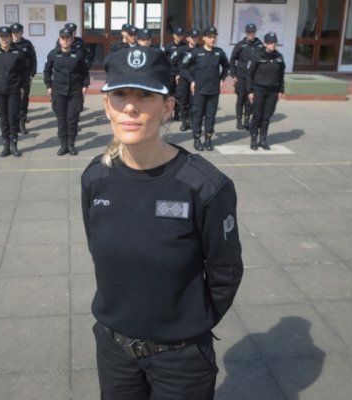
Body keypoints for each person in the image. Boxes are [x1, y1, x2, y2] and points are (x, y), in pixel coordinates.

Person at [81, 46, 243, 400]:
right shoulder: (96, 178)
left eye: (145, 96)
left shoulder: (205, 186)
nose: (130, 107)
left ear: (168, 107)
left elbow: (225, 272)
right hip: (114, 352)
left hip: (181, 359)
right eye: (120, 94)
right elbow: (99, 250)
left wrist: (189, 325)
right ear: (106, 104)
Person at [181, 26, 229, 151]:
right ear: (203, 38)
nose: (212, 39)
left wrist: (222, 79)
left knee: (210, 116)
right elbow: (183, 67)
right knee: (197, 115)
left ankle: (208, 139)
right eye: (209, 37)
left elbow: (226, 66)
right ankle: (197, 139)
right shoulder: (196, 53)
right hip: (199, 91)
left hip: (213, 91)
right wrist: (191, 81)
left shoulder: (219, 52)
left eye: (214, 37)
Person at [0, 26, 29, 157]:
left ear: (10, 37)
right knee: (3, 119)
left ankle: (14, 144)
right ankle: (6, 146)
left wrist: (21, 86)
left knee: (13, 118)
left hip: (14, 90)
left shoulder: (18, 53)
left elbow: (25, 71)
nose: (4, 39)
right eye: (2, 36)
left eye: (6, 36)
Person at [44, 28, 90, 156]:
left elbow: (85, 72)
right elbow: (47, 71)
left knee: (72, 119)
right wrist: (48, 85)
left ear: (72, 39)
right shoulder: (53, 54)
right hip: (58, 91)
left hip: (75, 91)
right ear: (59, 39)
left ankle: (71, 145)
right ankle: (63, 145)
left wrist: (85, 85)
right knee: (61, 120)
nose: (65, 41)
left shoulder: (79, 54)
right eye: (63, 38)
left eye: (68, 38)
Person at [247, 32, 285, 150]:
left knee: (267, 116)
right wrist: (250, 91)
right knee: (257, 116)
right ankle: (254, 139)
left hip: (273, 91)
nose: (273, 45)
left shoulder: (279, 57)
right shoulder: (258, 56)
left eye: (274, 43)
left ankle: (263, 139)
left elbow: (281, 74)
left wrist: (281, 90)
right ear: (265, 43)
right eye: (270, 43)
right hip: (259, 90)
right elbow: (250, 75)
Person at [229, 23, 264, 130]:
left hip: (254, 77)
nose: (251, 34)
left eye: (252, 32)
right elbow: (232, 60)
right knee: (241, 99)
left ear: (255, 32)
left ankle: (246, 120)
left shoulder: (260, 45)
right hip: (242, 76)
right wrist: (234, 74)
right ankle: (239, 121)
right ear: (246, 32)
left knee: (250, 100)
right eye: (249, 32)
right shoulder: (240, 45)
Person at [11, 23, 37, 135]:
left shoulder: (27, 44)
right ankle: (14, 123)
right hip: (11, 78)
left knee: (23, 101)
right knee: (13, 101)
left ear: (22, 32)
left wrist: (31, 74)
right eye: (14, 32)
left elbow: (33, 60)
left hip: (24, 78)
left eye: (18, 32)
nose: (16, 34)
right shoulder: (8, 44)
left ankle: (22, 123)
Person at [175, 28, 201, 132]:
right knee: (183, 101)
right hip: (185, 79)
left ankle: (191, 120)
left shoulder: (200, 49)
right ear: (188, 38)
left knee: (193, 101)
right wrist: (177, 73)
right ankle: (184, 121)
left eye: (196, 37)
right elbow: (174, 62)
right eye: (192, 37)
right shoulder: (182, 50)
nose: (194, 39)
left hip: (196, 79)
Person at [162, 26, 186, 121]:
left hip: (180, 74)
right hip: (170, 74)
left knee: (179, 94)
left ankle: (177, 113)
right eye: (177, 35)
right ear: (174, 35)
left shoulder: (185, 46)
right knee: (169, 94)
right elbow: (163, 60)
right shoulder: (168, 46)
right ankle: (168, 113)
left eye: (181, 35)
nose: (179, 37)